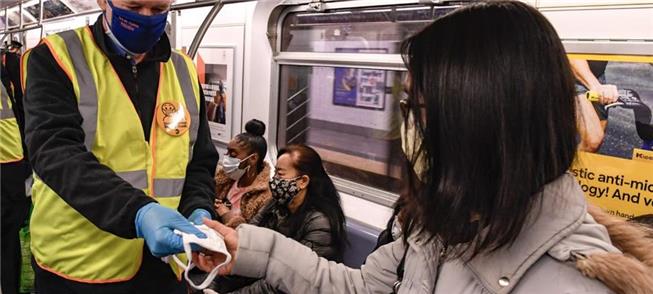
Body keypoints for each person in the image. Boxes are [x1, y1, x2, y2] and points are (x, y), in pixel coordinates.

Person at [193, 2, 650, 293]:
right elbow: (356, 287)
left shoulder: (574, 282)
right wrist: (250, 249)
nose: (408, 130)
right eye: (408, 106)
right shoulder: (435, 227)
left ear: (485, 120)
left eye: (422, 109)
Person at [22, 0, 218, 292]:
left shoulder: (183, 70)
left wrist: (199, 210)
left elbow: (198, 161)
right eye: (134, 6)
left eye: (158, 9)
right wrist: (139, 213)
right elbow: (55, 153)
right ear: (103, 1)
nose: (146, 18)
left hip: (164, 264)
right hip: (81, 266)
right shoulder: (56, 57)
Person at [211, 144, 347, 293]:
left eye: (280, 174)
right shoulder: (275, 204)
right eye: (275, 173)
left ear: (302, 181)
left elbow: (289, 281)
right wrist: (213, 284)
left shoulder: (319, 223)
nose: (274, 180)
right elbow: (247, 246)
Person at [214, 119, 272, 228]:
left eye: (233, 154)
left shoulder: (264, 196)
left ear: (253, 158)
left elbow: (252, 235)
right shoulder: (224, 178)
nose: (226, 157)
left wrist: (226, 214)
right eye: (227, 152)